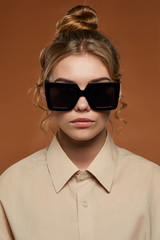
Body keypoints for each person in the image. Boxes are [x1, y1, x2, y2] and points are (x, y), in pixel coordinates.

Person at [0, 5, 160, 240]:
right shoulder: (9, 188)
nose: (82, 105)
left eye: (99, 91)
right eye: (65, 92)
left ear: (117, 93)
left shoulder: (153, 185)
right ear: (46, 94)